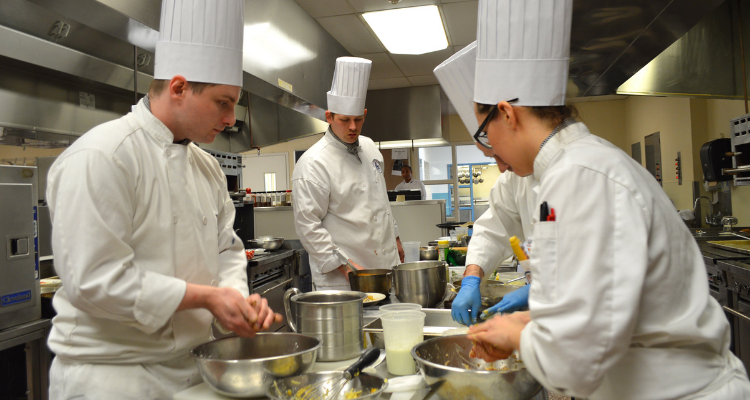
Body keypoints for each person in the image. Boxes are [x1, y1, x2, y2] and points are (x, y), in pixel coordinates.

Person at [466, 1, 750, 399]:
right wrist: (532, 321)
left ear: (506, 113)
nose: (491, 153)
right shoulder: (575, 168)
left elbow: (575, 362)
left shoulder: (581, 176)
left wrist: (519, 332)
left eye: (484, 135)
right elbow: (606, 312)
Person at [46, 1, 281, 398]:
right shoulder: (103, 156)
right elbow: (94, 281)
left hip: (193, 370)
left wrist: (237, 303)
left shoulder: (206, 168)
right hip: (114, 379)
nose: (230, 119)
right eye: (222, 102)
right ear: (178, 88)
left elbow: (226, 250)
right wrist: (207, 297)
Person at [434, 42, 537, 326]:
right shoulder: (516, 178)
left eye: (495, 150)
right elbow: (492, 233)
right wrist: (470, 280)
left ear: (508, 115)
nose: (501, 167)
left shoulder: (582, 176)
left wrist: (543, 293)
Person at [293, 57, 405, 291]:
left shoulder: (370, 148)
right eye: (345, 120)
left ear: (365, 113)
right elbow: (308, 226)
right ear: (329, 117)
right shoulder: (313, 163)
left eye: (358, 119)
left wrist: (394, 237)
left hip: (385, 266)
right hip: (343, 278)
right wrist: (344, 267)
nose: (353, 127)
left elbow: (380, 201)